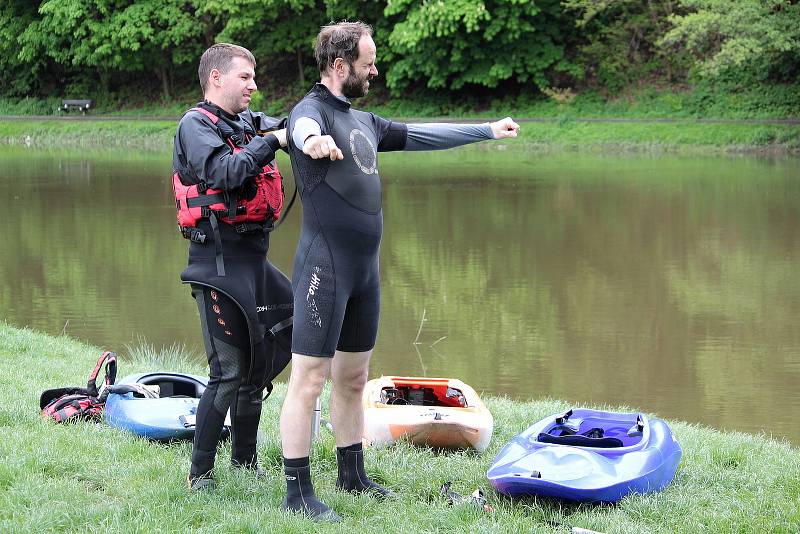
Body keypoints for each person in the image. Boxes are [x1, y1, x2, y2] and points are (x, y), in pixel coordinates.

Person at [279, 21, 519, 521]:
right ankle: (298, 492)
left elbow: (422, 136)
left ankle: (353, 474)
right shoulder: (310, 111)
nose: (375, 70)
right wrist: (313, 144)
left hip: (364, 272)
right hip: (324, 268)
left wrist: (487, 130)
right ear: (340, 66)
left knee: (354, 377)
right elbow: (301, 130)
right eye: (368, 63)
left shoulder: (364, 121)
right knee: (309, 379)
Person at [172, 43, 294, 490]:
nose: (254, 85)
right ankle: (200, 474)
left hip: (253, 263)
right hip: (216, 265)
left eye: (254, 76)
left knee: (258, 366)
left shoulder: (244, 122)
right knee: (227, 372)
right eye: (245, 77)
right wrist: (272, 142)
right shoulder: (195, 126)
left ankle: (245, 463)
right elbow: (225, 172)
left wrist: (309, 128)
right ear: (217, 78)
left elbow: (285, 126)